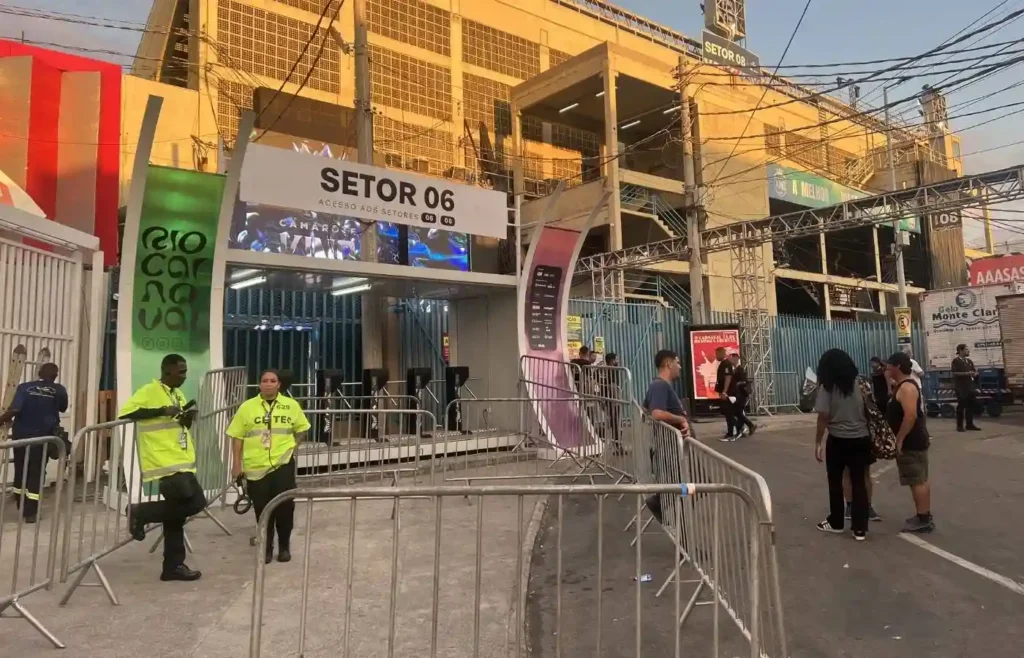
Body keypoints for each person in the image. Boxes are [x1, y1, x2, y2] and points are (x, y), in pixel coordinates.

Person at [121, 354, 206, 582]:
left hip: (180, 459)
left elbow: (176, 425)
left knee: (176, 516)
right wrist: (160, 410)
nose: (184, 376)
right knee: (195, 503)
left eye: (185, 371)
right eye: (181, 371)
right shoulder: (150, 391)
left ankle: (172, 566)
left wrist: (185, 418)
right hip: (163, 462)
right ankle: (140, 512)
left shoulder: (177, 393)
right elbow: (126, 412)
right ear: (167, 371)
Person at [227, 369, 311, 564]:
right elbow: (237, 437)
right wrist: (236, 464)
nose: (268, 384)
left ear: (279, 384)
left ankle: (284, 547)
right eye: (265, 380)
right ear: (259, 384)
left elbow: (303, 429)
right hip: (256, 468)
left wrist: (293, 447)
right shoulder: (247, 407)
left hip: (283, 465)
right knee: (262, 509)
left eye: (273, 381)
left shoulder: (291, 405)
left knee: (285, 507)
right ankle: (266, 547)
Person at [813, 349, 872, 541]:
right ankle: (860, 528)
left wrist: (818, 441)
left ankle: (836, 522)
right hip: (862, 438)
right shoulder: (861, 384)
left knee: (835, 482)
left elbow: (823, 416)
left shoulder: (828, 388)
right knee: (859, 482)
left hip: (838, 439)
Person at [0, 363, 68, 522]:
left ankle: (20, 503)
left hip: (21, 437)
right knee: (36, 472)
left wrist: (1, 420)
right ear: (56, 375)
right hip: (43, 439)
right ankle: (30, 513)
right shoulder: (59, 390)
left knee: (20, 469)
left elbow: (14, 410)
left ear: (39, 373)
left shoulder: (24, 387)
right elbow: (63, 408)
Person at [886, 352, 934, 533]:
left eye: (889, 366)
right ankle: (923, 515)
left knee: (917, 480)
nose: (887, 369)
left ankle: (923, 518)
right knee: (919, 479)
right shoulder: (902, 386)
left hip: (912, 442)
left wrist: (900, 439)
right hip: (913, 440)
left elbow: (910, 416)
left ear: (897, 366)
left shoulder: (907, 388)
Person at [641, 349, 689, 524]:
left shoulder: (659, 386)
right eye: (677, 362)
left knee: (691, 487)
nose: (680, 367)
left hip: (673, 448)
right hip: (670, 449)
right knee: (690, 487)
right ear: (669, 363)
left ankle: (664, 505)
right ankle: (661, 505)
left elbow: (645, 407)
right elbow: (656, 413)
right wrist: (680, 419)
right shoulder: (660, 385)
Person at [951, 343, 981, 432]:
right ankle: (959, 426)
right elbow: (954, 373)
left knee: (970, 406)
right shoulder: (956, 361)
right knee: (961, 406)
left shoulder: (969, 361)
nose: (968, 351)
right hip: (961, 388)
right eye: (966, 349)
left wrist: (975, 374)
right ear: (960, 350)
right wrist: (966, 373)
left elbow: (973, 371)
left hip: (970, 386)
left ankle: (969, 424)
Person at [727, 353, 757, 438]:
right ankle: (741, 430)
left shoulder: (740, 369)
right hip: (736, 394)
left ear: (736, 359)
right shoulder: (734, 369)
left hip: (741, 394)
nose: (729, 360)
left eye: (731, 358)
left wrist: (736, 384)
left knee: (737, 412)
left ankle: (750, 425)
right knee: (738, 412)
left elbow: (744, 381)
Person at [714, 346, 737, 441]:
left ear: (722, 353)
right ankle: (731, 432)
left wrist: (724, 392)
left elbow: (728, 377)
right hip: (725, 393)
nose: (716, 356)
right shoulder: (723, 364)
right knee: (727, 413)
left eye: (717, 354)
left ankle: (732, 434)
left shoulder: (726, 364)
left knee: (729, 413)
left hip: (728, 394)